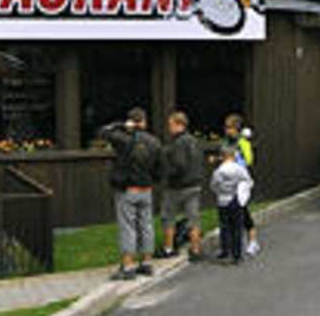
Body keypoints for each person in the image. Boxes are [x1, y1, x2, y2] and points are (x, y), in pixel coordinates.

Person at [96, 107, 162, 280]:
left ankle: (127, 266)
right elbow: (159, 170)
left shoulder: (123, 139)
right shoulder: (155, 142)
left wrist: (120, 125)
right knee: (146, 226)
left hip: (128, 190)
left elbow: (103, 132)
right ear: (145, 122)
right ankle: (147, 263)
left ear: (131, 122)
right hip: (146, 189)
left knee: (128, 227)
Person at [158, 110, 206, 261]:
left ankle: (168, 248)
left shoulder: (178, 142)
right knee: (193, 218)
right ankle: (196, 250)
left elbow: (179, 165)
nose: (168, 128)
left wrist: (166, 173)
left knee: (168, 217)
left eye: (170, 124)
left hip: (178, 186)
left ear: (179, 125)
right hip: (195, 184)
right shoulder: (194, 141)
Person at [210, 143, 253, 264]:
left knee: (224, 226)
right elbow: (248, 181)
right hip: (236, 199)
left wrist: (220, 191)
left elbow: (213, 185)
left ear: (223, 156)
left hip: (223, 200)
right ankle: (237, 255)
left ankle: (225, 251)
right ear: (233, 155)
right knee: (237, 228)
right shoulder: (239, 169)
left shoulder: (219, 171)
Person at [223, 112, 259, 256]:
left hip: (242, 182)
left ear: (237, 129)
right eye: (226, 127)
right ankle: (232, 243)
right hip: (229, 181)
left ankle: (253, 241)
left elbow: (249, 160)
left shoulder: (242, 143)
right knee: (231, 211)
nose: (227, 130)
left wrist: (240, 154)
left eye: (230, 128)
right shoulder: (227, 142)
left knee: (242, 210)